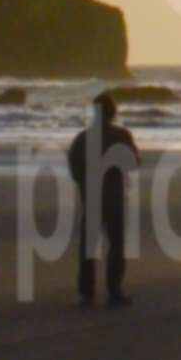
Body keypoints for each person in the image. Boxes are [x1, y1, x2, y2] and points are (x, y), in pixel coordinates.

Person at [66, 92, 138, 307]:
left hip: (92, 197)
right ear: (113, 112)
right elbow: (133, 163)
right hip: (115, 196)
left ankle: (87, 293)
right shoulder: (121, 135)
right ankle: (115, 291)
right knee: (116, 245)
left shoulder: (83, 137)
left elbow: (74, 167)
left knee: (88, 246)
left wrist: (84, 183)